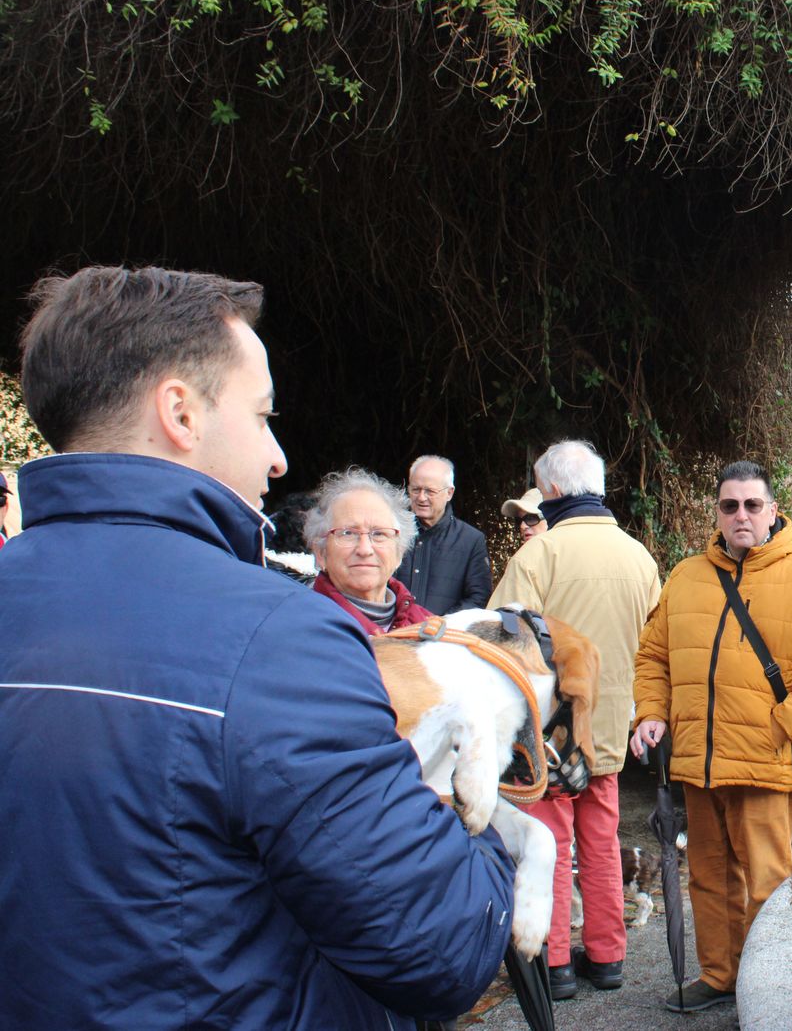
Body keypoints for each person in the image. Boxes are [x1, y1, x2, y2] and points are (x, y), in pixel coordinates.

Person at [0, 266, 515, 1029]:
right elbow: (443, 949)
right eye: (263, 415)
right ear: (180, 411)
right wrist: (485, 833)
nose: (278, 458)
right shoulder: (280, 641)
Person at [630, 460, 792, 1013]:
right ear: (718, 513)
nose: (741, 515)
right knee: (708, 880)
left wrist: (779, 728)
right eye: (730, 506)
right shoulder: (685, 576)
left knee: (769, 884)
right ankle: (720, 975)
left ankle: (770, 991)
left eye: (753, 505)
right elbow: (653, 656)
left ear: (773, 511)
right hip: (697, 764)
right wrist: (651, 714)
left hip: (761, 764)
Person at [487, 441, 660, 999]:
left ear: (554, 491)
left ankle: (555, 964)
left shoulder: (539, 556)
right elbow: (654, 646)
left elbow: (499, 644)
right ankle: (608, 957)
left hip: (550, 737)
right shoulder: (639, 556)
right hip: (610, 729)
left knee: (549, 845)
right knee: (602, 842)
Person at [309, 468, 435, 634]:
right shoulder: (302, 623)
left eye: (379, 534)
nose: (365, 549)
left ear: (400, 552)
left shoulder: (431, 627)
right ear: (320, 553)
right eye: (348, 533)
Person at [396, 454, 492, 614]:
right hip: (392, 632)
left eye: (430, 491)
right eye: (415, 489)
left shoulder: (470, 540)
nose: (421, 497)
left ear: (449, 493)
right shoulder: (392, 532)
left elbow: (479, 597)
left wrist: (441, 624)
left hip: (444, 635)